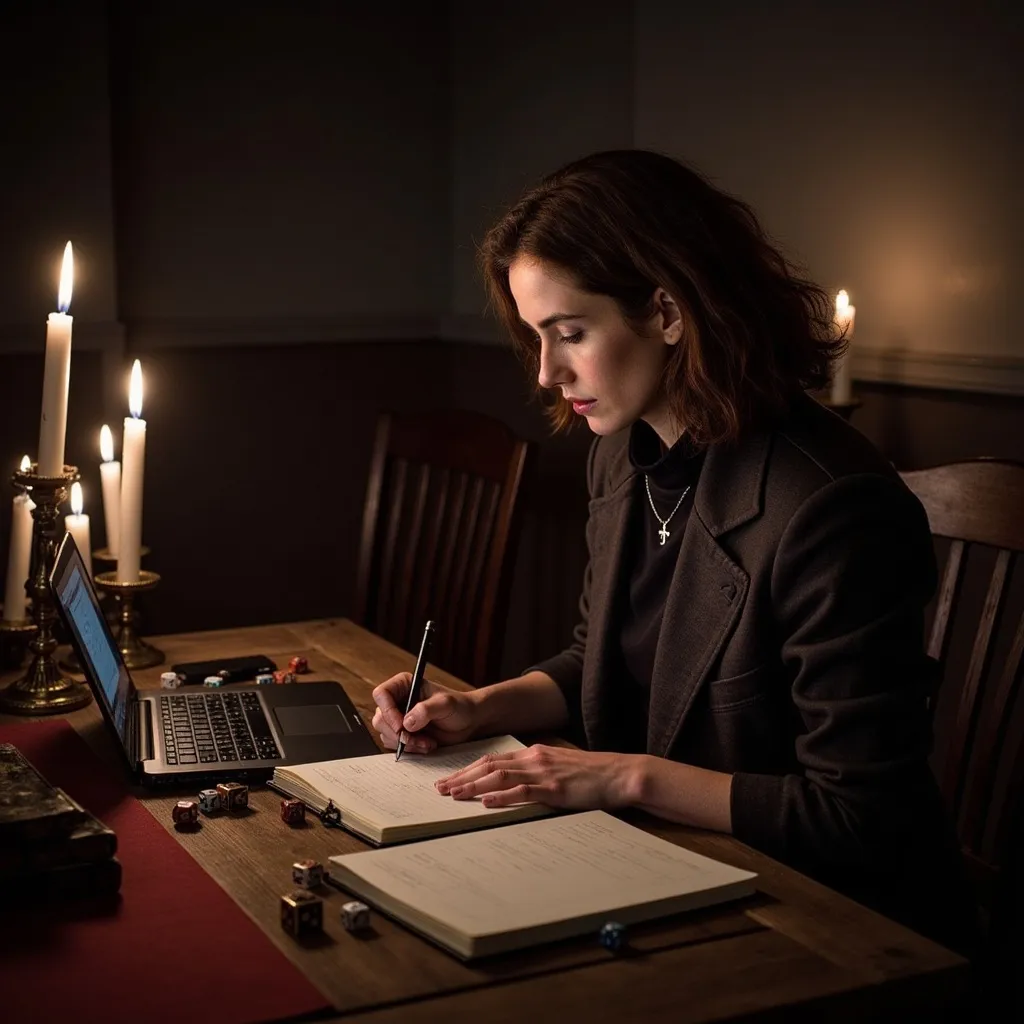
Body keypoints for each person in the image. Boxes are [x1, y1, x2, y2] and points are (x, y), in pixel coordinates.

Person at [371, 149, 976, 954]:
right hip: (664, 862)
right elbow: (603, 659)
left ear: (667, 312)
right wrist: (485, 706)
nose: (548, 372)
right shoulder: (621, 453)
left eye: (571, 334)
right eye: (536, 338)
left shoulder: (833, 505)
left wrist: (620, 775)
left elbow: (860, 817)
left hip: (830, 921)